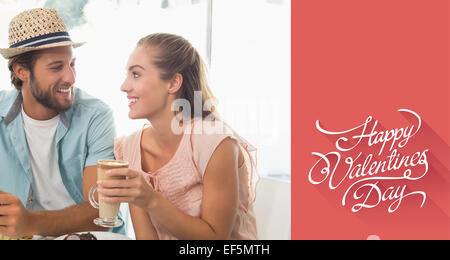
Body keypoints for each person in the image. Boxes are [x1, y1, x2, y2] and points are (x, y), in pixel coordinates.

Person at [97, 33, 259, 240]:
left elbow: (216, 239)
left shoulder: (215, 144)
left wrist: (149, 199)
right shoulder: (129, 148)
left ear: (173, 83)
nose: (124, 86)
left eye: (136, 75)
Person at [0, 8, 124, 239]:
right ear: (21, 71)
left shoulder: (96, 115)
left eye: (72, 64)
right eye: (57, 67)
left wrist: (30, 222)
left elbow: (99, 211)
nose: (71, 78)